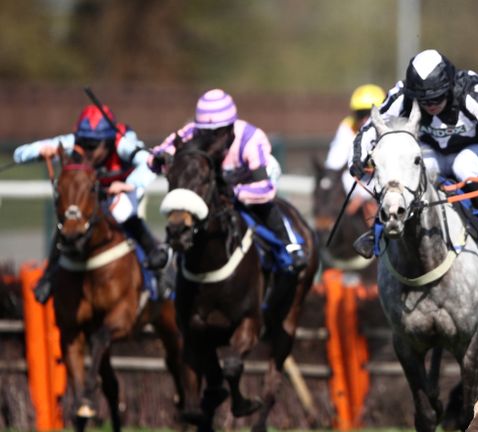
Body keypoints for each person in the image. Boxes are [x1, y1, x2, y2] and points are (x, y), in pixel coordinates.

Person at [350, 49, 478, 260]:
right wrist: (358, 156)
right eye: (424, 101)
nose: (431, 105)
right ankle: (377, 231)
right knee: (407, 172)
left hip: (471, 151)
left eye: (437, 98)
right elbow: (373, 124)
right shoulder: (403, 94)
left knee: (463, 166)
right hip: (431, 151)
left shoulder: (468, 88)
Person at [14, 104, 167, 303]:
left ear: (108, 141)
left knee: (120, 212)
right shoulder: (76, 142)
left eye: (93, 146)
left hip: (123, 191)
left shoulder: (123, 144)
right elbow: (20, 154)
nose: (86, 150)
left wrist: (128, 184)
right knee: (70, 220)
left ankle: (156, 263)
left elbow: (150, 162)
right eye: (84, 143)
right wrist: (40, 151)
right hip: (91, 195)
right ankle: (49, 276)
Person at [149, 89, 307, 272]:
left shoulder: (250, 139)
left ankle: (291, 245)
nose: (210, 140)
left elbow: (266, 189)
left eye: (217, 133)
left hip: (248, 181)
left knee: (264, 208)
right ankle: (168, 247)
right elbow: (156, 155)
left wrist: (235, 192)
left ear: (230, 129)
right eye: (205, 133)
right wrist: (160, 158)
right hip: (216, 182)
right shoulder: (191, 132)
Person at [324, 84, 387, 206]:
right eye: (360, 114)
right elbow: (334, 163)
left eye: (370, 113)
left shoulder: (391, 129)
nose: (365, 120)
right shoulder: (348, 127)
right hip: (355, 185)